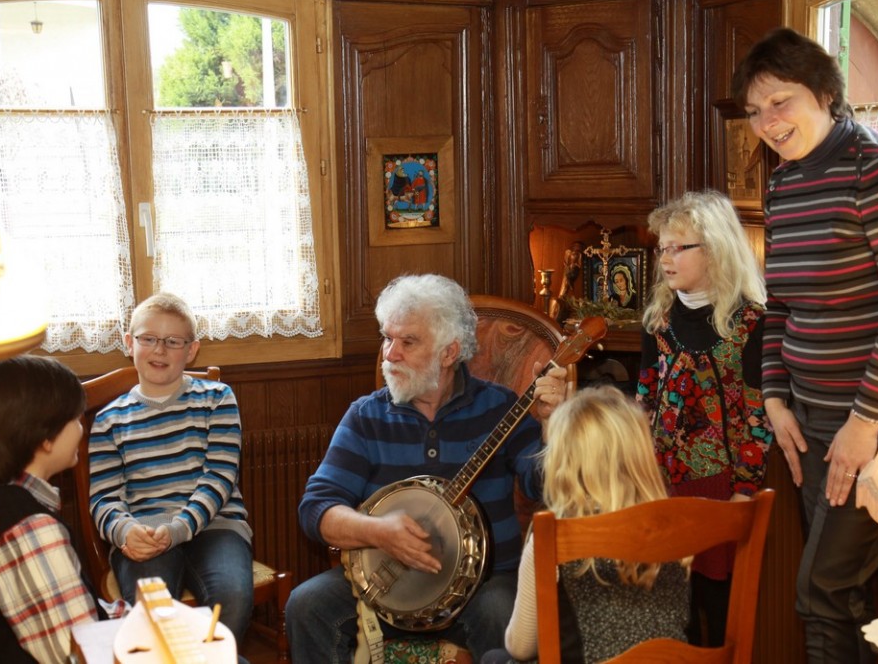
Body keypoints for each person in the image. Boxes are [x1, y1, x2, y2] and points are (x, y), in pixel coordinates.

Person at [732, 27, 878, 664]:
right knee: (840, 595)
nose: (767, 123)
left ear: (825, 93)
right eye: (754, 112)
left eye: (781, 102)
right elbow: (782, 307)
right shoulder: (785, 183)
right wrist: (774, 397)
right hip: (810, 423)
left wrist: (864, 420)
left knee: (821, 589)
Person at [286, 273, 568, 662]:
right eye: (387, 338)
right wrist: (378, 532)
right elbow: (316, 509)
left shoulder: (500, 407)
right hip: (386, 587)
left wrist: (554, 425)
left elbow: (547, 487)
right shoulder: (367, 417)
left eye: (407, 342)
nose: (389, 354)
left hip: (484, 585)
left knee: (505, 612)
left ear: (449, 352)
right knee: (306, 605)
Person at [636, 189, 772, 647]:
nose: (666, 259)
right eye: (663, 249)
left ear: (714, 249)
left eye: (679, 247)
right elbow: (644, 403)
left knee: (721, 614)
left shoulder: (751, 322)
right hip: (664, 487)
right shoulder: (657, 320)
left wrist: (744, 490)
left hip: (721, 489)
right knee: (674, 616)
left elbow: (758, 415)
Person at [481, 385, 691, 664]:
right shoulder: (678, 526)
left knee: (495, 658)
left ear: (562, 462)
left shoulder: (552, 535)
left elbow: (521, 647)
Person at [88, 292, 254, 645]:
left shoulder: (217, 399)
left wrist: (179, 527)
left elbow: (219, 478)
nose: (159, 350)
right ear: (130, 343)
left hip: (215, 526)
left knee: (232, 600)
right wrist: (123, 531)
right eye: (148, 339)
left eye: (172, 342)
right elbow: (104, 497)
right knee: (153, 616)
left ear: (191, 349)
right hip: (143, 536)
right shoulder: (108, 420)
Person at [0, 355, 124, 663]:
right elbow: (76, 652)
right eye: (75, 419)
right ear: (45, 437)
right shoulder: (27, 525)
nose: (81, 428)